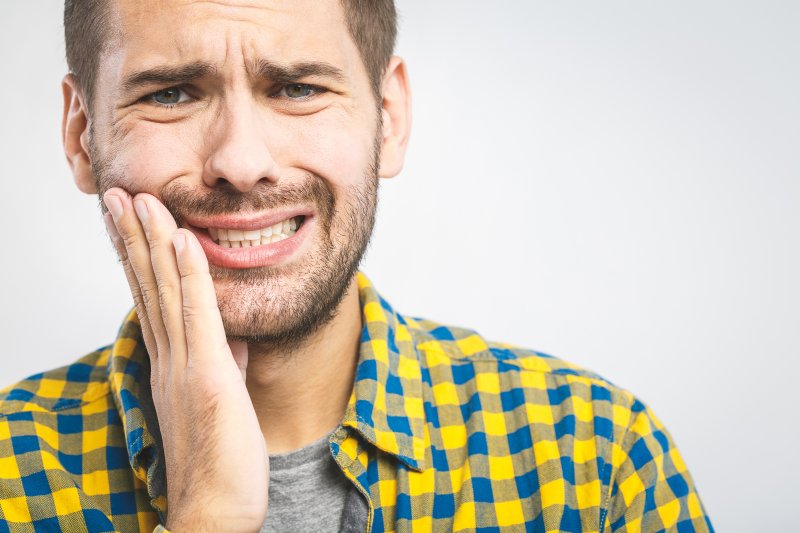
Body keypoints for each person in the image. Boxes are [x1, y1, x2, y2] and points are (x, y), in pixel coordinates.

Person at [0, 1, 713, 531]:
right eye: (172, 94)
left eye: (298, 88)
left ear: (389, 115)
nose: (242, 162)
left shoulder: (593, 454)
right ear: (82, 134)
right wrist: (209, 511)